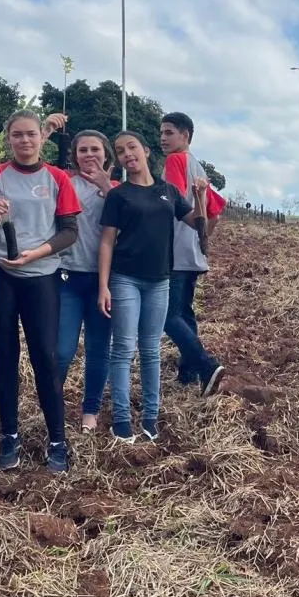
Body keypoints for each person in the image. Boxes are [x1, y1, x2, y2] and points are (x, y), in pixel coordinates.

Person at [0, 109, 81, 473]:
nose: (24, 141)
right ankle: (10, 435)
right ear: (9, 139)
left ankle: (58, 439)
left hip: (41, 276)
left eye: (31, 135)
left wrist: (36, 253)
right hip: (1, 276)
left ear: (43, 137)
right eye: (17, 135)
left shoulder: (57, 177)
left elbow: (70, 230)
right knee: (4, 355)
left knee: (45, 356)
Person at [98, 131, 208, 443]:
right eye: (120, 151)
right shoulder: (119, 195)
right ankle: (121, 420)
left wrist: (199, 194)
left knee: (150, 350)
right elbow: (107, 241)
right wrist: (103, 285)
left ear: (145, 151)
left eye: (131, 147)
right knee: (123, 348)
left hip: (160, 280)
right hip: (125, 278)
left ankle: (150, 417)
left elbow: (197, 223)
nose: (127, 154)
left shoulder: (169, 191)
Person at [160, 112, 226, 396]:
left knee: (168, 315)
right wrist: (202, 239)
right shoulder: (197, 166)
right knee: (184, 311)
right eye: (161, 132)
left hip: (174, 249)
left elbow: (169, 201)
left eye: (169, 132)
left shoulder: (176, 161)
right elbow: (215, 212)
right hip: (192, 252)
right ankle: (188, 373)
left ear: (185, 135)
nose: (163, 138)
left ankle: (205, 365)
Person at [57, 130, 116, 435]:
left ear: (106, 154)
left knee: (97, 349)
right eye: (83, 149)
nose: (89, 154)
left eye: (95, 149)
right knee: (62, 350)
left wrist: (107, 187)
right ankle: (53, 407)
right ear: (74, 154)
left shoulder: (117, 189)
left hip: (103, 282)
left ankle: (90, 410)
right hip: (67, 277)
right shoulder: (64, 182)